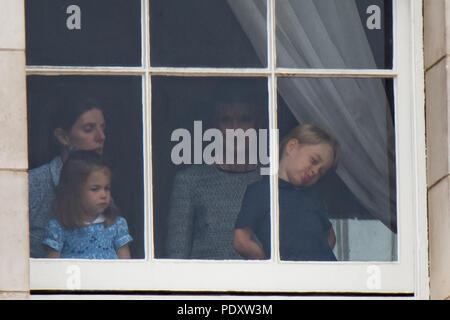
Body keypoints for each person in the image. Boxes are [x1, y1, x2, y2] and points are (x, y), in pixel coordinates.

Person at [163, 97, 265, 259]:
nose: (235, 129)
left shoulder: (269, 182)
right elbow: (176, 257)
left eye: (244, 120)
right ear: (215, 127)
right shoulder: (190, 181)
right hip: (204, 282)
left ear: (257, 126)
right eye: (226, 121)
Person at [233, 124, 339, 261]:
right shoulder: (262, 192)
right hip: (286, 275)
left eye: (321, 172)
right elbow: (241, 240)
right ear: (292, 147)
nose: (315, 171)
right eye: (314, 161)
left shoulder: (313, 197)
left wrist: (316, 258)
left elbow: (330, 236)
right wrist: (268, 264)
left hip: (323, 274)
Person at [29, 98, 107, 258]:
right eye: (89, 129)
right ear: (63, 137)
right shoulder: (32, 185)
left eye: (103, 128)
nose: (101, 137)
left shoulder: (106, 183)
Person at [43, 150, 132, 259]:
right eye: (95, 189)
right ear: (74, 192)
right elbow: (51, 267)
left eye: (107, 188)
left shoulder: (116, 225)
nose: (104, 195)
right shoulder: (59, 228)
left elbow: (126, 266)